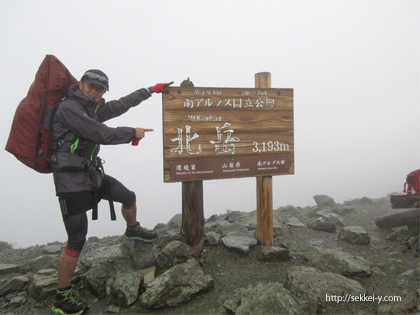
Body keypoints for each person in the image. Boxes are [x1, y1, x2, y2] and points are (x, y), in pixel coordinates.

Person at [50, 69, 172, 315]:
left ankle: (133, 230)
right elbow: (99, 134)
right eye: (91, 86)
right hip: (70, 182)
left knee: (128, 197)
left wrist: (149, 91)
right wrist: (131, 133)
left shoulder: (91, 109)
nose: (95, 91)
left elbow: (121, 105)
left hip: (91, 175)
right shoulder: (70, 109)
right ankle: (62, 297)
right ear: (81, 84)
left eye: (100, 88)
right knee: (76, 240)